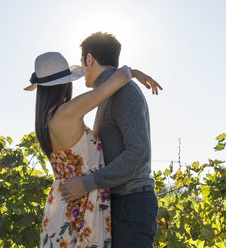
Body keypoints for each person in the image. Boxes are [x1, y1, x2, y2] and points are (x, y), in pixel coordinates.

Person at [24, 51, 160, 248]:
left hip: (62, 207)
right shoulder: (68, 112)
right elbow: (118, 79)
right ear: (65, 84)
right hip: (81, 208)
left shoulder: (47, 119)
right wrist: (133, 72)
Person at [62, 32, 163, 247]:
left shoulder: (123, 92)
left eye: (82, 61)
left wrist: (86, 183)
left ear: (89, 59)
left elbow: (138, 152)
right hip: (121, 203)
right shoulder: (109, 92)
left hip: (131, 204)